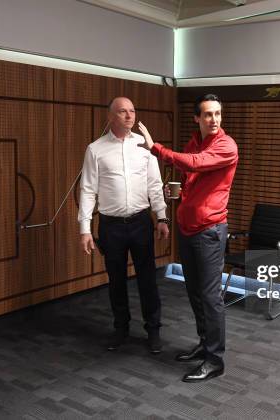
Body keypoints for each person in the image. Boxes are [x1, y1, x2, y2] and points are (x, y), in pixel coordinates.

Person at [137, 93, 238, 383]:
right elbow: (189, 170)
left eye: (217, 114)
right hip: (188, 228)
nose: (214, 119)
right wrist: (181, 193)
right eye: (208, 114)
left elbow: (194, 163)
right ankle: (205, 345)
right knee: (195, 292)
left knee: (210, 297)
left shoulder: (226, 145)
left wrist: (155, 148)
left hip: (209, 232)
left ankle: (215, 359)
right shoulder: (196, 140)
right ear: (197, 118)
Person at [78, 97, 170, 354]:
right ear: (110, 117)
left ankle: (153, 330)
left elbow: (154, 185)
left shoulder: (144, 146)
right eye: (122, 112)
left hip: (141, 222)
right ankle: (121, 329)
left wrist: (161, 217)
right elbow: (87, 190)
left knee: (147, 279)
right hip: (111, 226)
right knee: (116, 280)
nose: (129, 116)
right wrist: (84, 229)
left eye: (132, 111)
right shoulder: (95, 149)